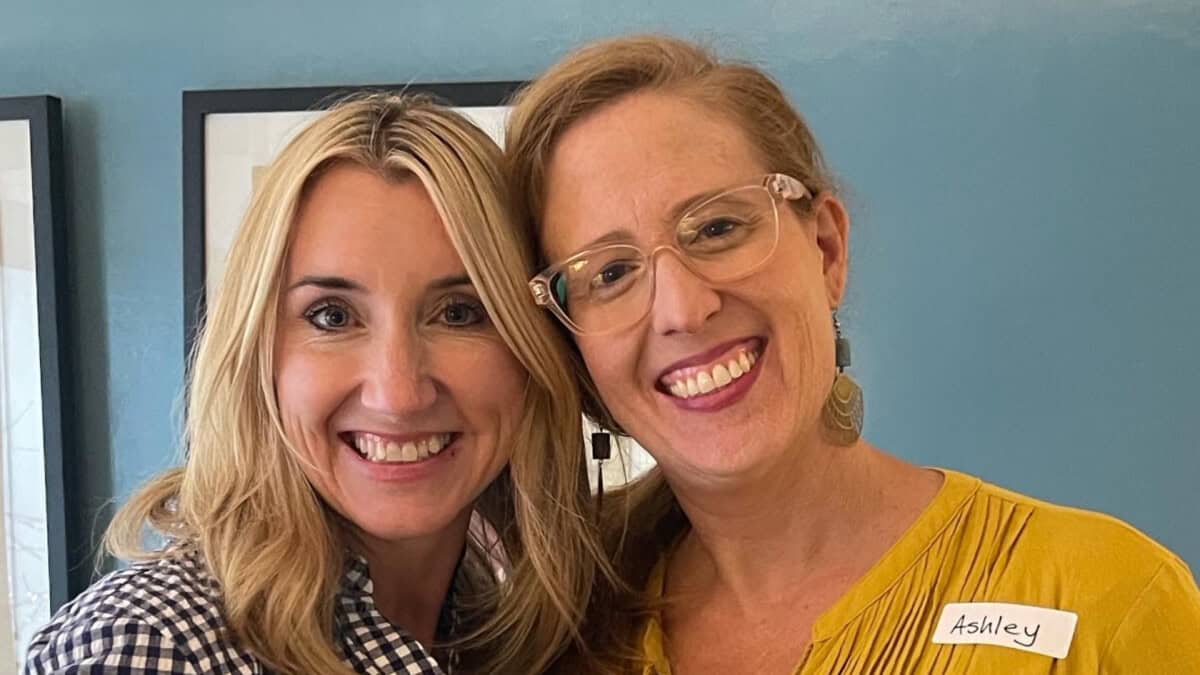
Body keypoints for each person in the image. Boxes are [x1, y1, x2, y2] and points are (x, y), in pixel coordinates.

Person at [505, 35, 1200, 674]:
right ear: (570, 342)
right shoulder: (564, 640)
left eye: (716, 227)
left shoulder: (1105, 601)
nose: (683, 309)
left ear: (827, 248)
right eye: (611, 274)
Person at [26, 93, 603, 674]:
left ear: (535, 350)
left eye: (459, 313)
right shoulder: (153, 649)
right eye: (332, 316)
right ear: (257, 352)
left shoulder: (506, 625)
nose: (398, 395)